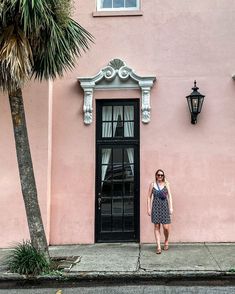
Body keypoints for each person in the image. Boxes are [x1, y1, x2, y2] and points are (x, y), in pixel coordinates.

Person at [147, 169, 173, 254]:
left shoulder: (166, 184)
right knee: (156, 226)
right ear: (156, 175)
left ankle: (166, 240)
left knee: (166, 227)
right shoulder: (152, 184)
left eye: (161, 175)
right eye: (158, 175)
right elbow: (148, 197)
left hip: (165, 207)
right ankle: (158, 247)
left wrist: (171, 207)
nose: (160, 177)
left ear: (163, 176)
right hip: (155, 207)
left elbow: (170, 196)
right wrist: (148, 208)